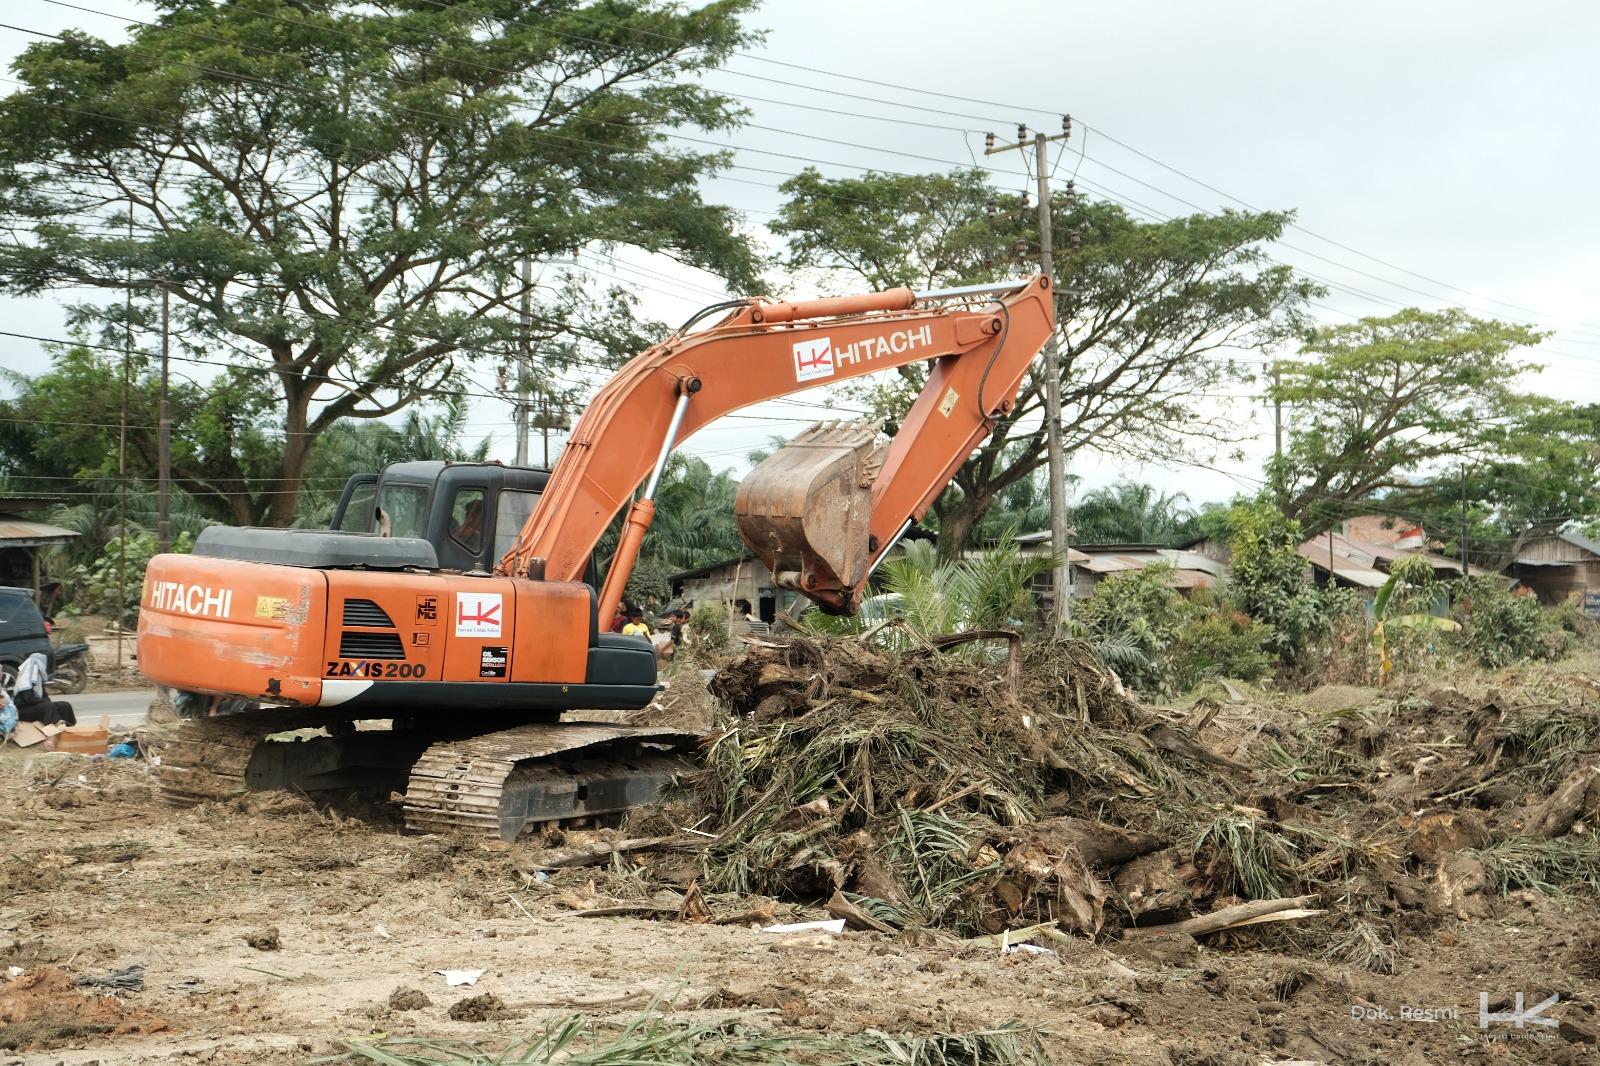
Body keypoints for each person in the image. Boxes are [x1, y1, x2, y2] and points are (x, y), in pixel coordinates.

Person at [12, 651, 75, 727]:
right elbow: (28, 698)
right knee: (47, 706)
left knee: (64, 705)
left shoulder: (38, 680)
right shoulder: (25, 680)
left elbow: (45, 698)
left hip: (35, 707)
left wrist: (48, 703)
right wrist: (45, 702)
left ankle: (69, 729)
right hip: (22, 711)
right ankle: (51, 732)